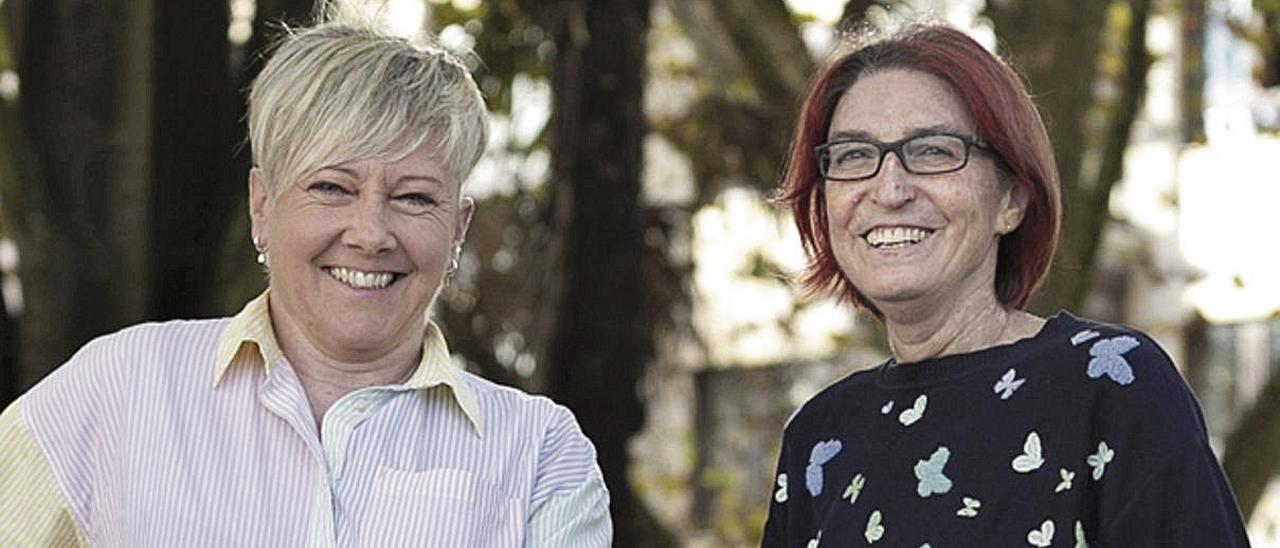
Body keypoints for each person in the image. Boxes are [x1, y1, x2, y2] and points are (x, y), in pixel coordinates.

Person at [0, 19, 611, 547]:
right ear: (262, 205)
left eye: (415, 197)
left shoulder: (540, 456)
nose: (370, 233)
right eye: (332, 187)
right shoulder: (121, 386)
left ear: (458, 227)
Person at [762, 24, 1249, 546]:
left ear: (1012, 199)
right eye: (855, 155)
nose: (890, 188)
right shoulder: (819, 438)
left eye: (932, 150)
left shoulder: (1110, 384)